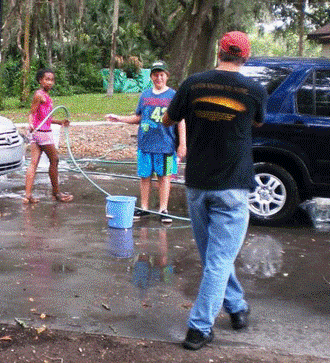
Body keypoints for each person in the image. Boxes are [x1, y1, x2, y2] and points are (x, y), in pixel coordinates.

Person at [163, 31, 267, 350]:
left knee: (215, 257)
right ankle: (199, 327)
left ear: (218, 51)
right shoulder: (254, 90)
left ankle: (236, 307)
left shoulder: (192, 83)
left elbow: (168, 118)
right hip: (233, 185)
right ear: (245, 57)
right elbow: (258, 124)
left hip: (197, 184)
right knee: (218, 259)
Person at [105, 61, 186, 223]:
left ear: (167, 76)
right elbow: (139, 117)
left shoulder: (173, 96)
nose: (159, 78)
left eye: (162, 74)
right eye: (155, 75)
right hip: (145, 144)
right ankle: (144, 207)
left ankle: (163, 209)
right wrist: (119, 118)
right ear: (151, 77)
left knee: (164, 177)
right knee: (145, 176)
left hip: (166, 145)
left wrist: (182, 144)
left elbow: (180, 120)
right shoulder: (145, 95)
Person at [23, 68, 73, 204]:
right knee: (55, 159)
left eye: (52, 80)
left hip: (39, 132)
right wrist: (31, 124)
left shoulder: (47, 96)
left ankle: (27, 196)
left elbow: (46, 118)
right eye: (47, 79)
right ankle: (56, 193)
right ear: (40, 80)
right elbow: (32, 113)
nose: (50, 82)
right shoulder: (39, 95)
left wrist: (60, 122)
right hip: (41, 133)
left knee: (34, 163)